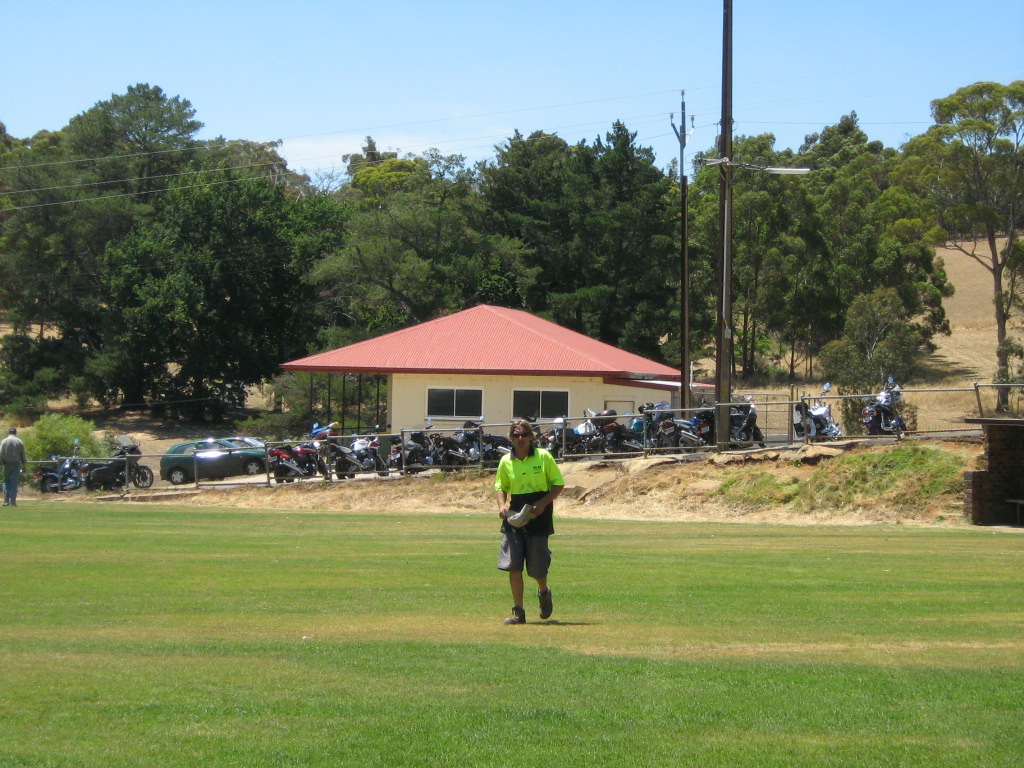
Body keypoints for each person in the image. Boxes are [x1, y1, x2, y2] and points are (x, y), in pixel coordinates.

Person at [494, 419, 565, 624]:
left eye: (524, 434)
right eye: (516, 435)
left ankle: (543, 591)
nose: (520, 439)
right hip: (515, 515)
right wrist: (502, 506)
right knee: (513, 565)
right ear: (511, 438)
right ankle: (518, 612)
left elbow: (558, 484)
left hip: (539, 515)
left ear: (531, 437)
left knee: (537, 567)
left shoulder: (543, 457)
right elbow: (500, 486)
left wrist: (542, 504)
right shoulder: (506, 461)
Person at [1, 427, 28, 507]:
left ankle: (6, 500)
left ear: (9, 432)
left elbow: (1, 453)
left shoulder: (4, 441)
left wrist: (0, 464)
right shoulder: (19, 441)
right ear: (15, 433)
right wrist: (24, 466)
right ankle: (13, 501)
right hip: (16, 463)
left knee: (6, 481)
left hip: (6, 463)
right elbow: (23, 455)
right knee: (14, 482)